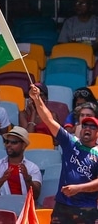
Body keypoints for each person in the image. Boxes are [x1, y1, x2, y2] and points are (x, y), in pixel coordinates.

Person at [29, 84, 98, 223]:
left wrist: (78, 189)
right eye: (85, 125)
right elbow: (48, 120)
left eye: (92, 126)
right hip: (62, 206)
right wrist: (37, 99)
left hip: (86, 209)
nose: (87, 129)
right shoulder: (70, 142)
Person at [0, 126, 42, 200]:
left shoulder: (33, 168)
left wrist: (27, 179)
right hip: (0, 206)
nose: (8, 145)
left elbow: (36, 196)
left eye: (14, 142)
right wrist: (3, 179)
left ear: (24, 145)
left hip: (23, 207)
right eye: (7, 142)